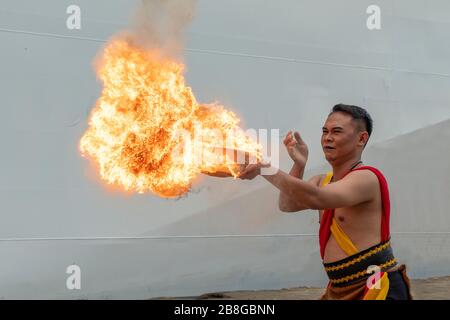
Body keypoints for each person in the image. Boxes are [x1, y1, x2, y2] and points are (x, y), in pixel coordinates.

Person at [239, 104, 412, 300]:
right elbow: (287, 204)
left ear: (361, 138)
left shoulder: (366, 178)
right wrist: (299, 164)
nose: (327, 138)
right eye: (324, 131)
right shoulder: (322, 181)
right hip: (338, 289)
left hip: (374, 287)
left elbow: (316, 198)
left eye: (336, 132)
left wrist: (265, 168)